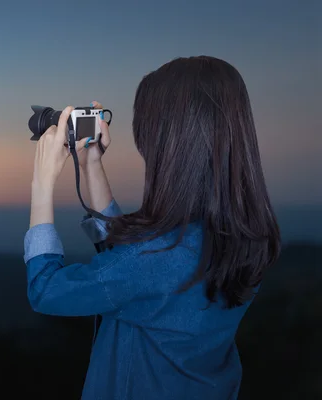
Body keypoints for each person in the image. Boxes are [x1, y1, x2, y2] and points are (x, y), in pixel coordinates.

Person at [24, 56, 281, 400]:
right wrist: (92, 166)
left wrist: (42, 184)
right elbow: (130, 259)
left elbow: (45, 290)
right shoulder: (246, 236)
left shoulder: (156, 257)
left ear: (170, 141)